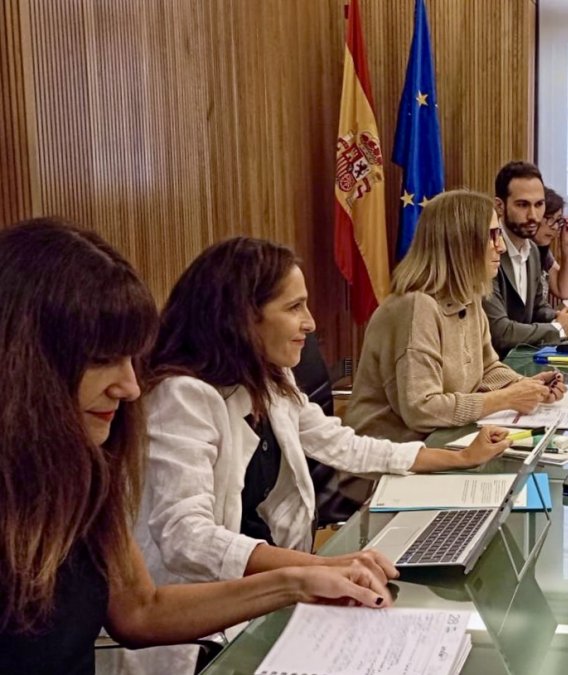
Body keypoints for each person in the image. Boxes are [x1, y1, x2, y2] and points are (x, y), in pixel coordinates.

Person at [0, 219, 391, 675]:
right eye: (103, 360)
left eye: (132, 358)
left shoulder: (85, 468)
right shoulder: (181, 395)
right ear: (25, 362)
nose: (130, 387)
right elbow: (184, 538)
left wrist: (297, 581)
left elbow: (141, 610)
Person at [114, 236, 511, 674]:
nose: (311, 322)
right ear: (243, 316)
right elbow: (185, 535)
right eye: (294, 307)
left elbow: (344, 444)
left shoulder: (268, 377)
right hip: (199, 638)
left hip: (262, 608)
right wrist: (312, 569)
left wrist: (454, 459)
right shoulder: (182, 396)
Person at [345, 189, 567, 444]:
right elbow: (422, 410)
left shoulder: (468, 296)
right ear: (461, 244)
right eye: (492, 236)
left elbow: (486, 368)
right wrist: (506, 398)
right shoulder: (417, 307)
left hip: (436, 444)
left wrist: (527, 387)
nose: (502, 246)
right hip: (387, 461)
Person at [484, 161, 568, 356]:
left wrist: (560, 316)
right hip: (495, 367)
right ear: (500, 206)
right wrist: (557, 328)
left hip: (524, 359)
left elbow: (538, 307)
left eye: (539, 205)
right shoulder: (488, 253)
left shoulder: (534, 251)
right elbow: (499, 332)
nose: (533, 215)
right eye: (522, 205)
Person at [533, 187, 568, 301]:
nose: (555, 226)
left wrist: (567, 246)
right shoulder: (520, 248)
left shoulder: (543, 251)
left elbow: (564, 291)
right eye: (549, 218)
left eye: (558, 220)